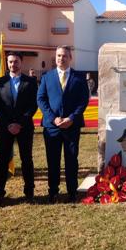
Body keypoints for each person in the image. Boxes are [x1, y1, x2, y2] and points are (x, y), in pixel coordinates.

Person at [37, 45, 89, 203]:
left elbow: (83, 100)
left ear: (70, 58)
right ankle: (53, 192)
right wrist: (53, 118)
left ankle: (72, 191)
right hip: (52, 127)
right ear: (55, 57)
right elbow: (41, 99)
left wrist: (71, 118)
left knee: (71, 159)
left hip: (71, 126)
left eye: (64, 56)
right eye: (59, 56)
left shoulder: (79, 77)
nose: (61, 58)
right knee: (53, 160)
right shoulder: (47, 77)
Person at [0, 52, 38, 207]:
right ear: (7, 63)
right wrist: (8, 124)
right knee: (2, 161)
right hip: (5, 128)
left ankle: (29, 192)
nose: (13, 64)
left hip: (24, 127)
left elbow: (33, 105)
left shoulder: (30, 82)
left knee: (27, 160)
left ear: (21, 62)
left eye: (16, 61)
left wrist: (19, 123)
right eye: (10, 62)